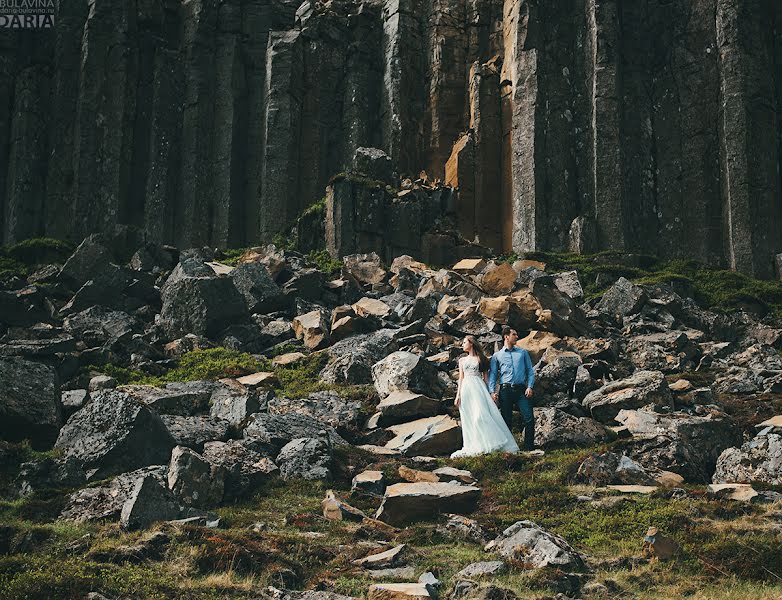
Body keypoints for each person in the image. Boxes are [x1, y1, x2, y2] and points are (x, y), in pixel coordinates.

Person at [451, 335, 519, 458]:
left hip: (478, 388)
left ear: (471, 343)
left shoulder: (480, 359)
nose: (462, 344)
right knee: (469, 417)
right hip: (466, 389)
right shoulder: (462, 360)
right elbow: (461, 379)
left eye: (464, 342)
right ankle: (475, 444)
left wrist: (491, 392)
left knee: (480, 415)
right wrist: (458, 395)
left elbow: (486, 378)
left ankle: (491, 442)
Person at [488, 326, 536, 451]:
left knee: (529, 418)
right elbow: (493, 375)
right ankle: (509, 448)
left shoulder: (523, 353)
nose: (517, 336)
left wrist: (530, 386)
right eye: (514, 334)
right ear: (506, 337)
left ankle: (529, 448)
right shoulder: (497, 356)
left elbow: (530, 372)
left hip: (521, 390)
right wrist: (492, 391)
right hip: (505, 391)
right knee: (506, 420)